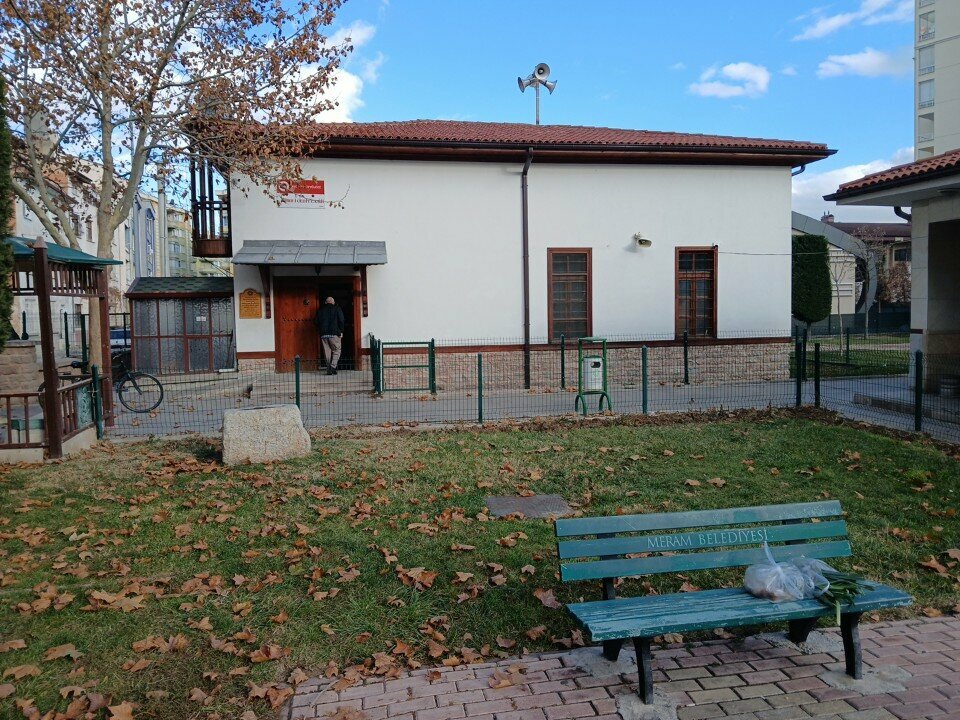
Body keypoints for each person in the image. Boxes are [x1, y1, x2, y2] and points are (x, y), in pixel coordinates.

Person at [315, 296, 345, 374]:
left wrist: (321, 329)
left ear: (325, 302)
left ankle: (329, 369)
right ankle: (333, 367)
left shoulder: (320, 310)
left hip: (324, 334)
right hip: (335, 333)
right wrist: (341, 331)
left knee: (327, 352)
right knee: (336, 350)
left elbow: (316, 322)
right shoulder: (337, 309)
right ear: (333, 302)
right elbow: (341, 320)